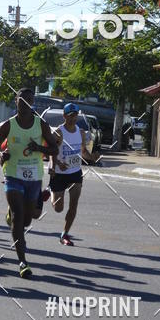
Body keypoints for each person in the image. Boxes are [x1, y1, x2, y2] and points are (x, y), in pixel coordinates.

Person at [0, 88, 59, 278]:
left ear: (33, 102)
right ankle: (22, 261)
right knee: (18, 217)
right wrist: (0, 154)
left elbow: (54, 148)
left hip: (34, 177)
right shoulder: (7, 125)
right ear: (16, 101)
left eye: (30, 100)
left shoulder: (42, 125)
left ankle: (14, 220)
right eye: (22, 100)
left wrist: (38, 147)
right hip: (13, 174)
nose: (26, 103)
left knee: (28, 219)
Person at [50, 103, 91, 246]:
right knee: (58, 208)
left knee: (74, 205)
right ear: (64, 116)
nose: (74, 118)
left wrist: (92, 157)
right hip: (60, 174)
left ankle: (65, 234)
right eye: (71, 115)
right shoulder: (58, 132)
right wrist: (56, 164)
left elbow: (83, 151)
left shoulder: (80, 132)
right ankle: (49, 192)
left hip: (75, 172)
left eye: (76, 115)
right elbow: (51, 152)